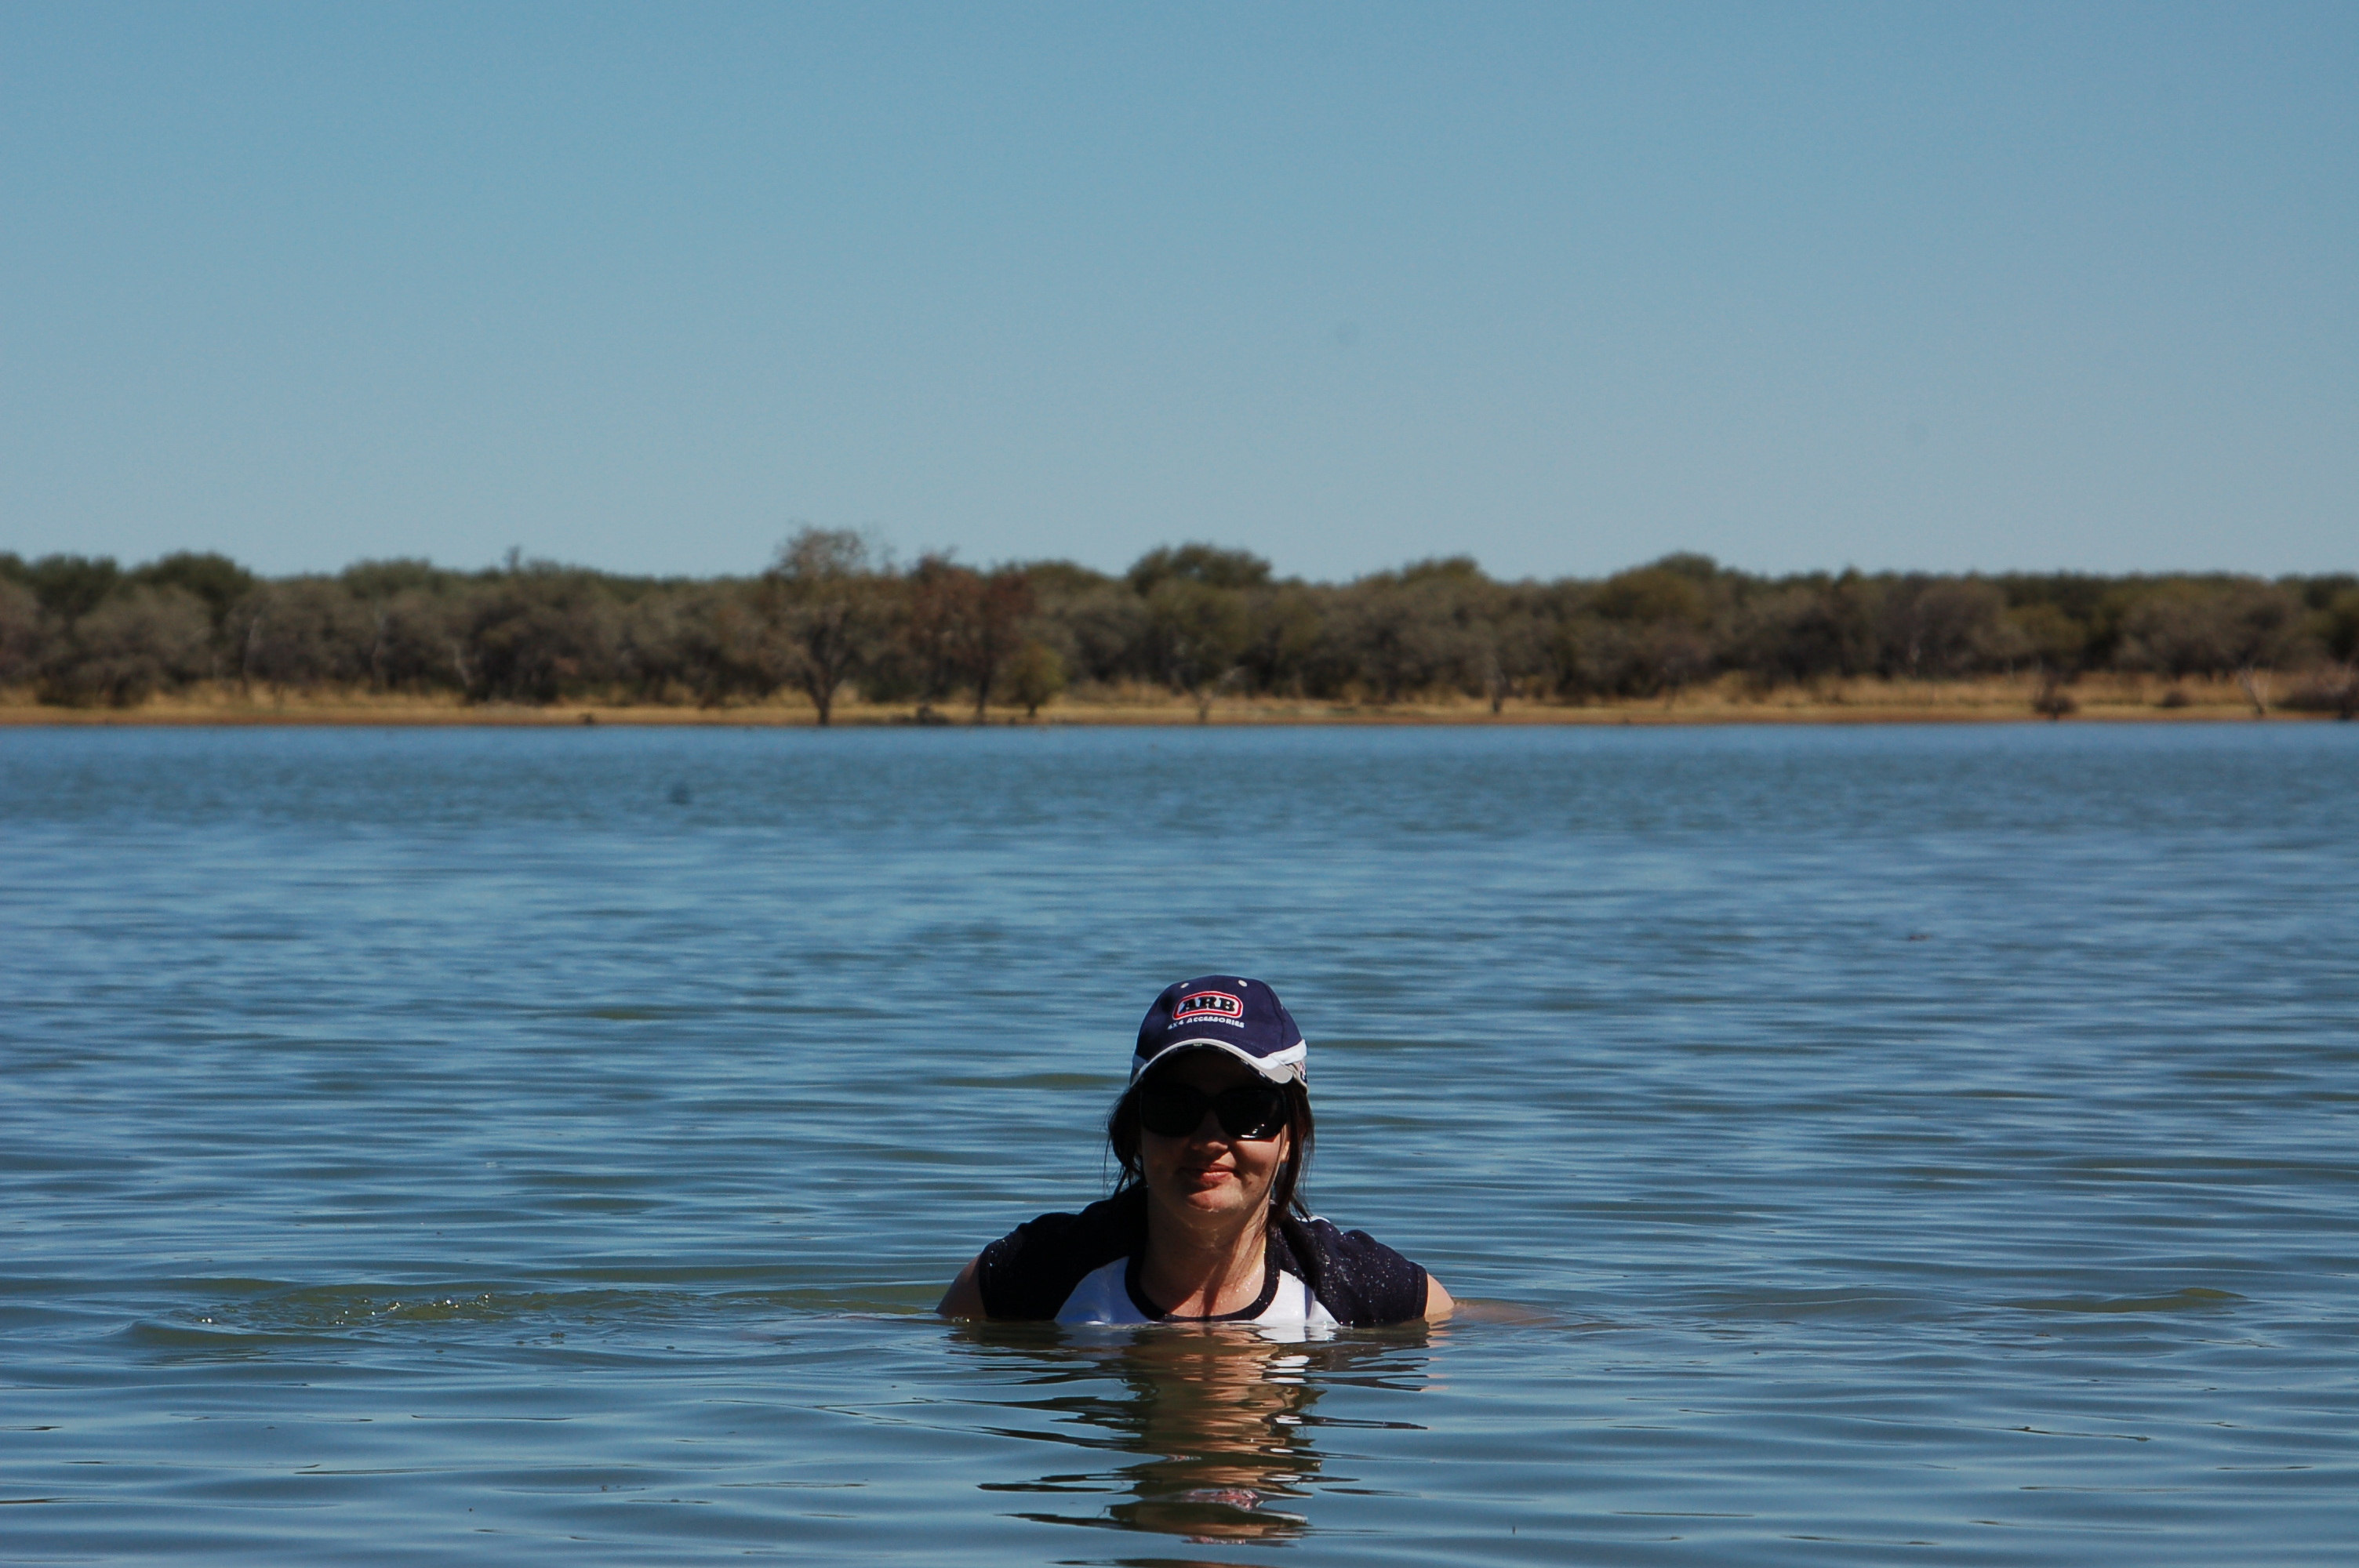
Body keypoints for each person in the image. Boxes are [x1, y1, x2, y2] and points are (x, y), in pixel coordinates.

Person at [939, 975, 1452, 1327]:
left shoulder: (1360, 1289)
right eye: (1174, 1107)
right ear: (1135, 1129)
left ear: (1291, 1133)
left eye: (1247, 1109)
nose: (1208, 1140)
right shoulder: (1029, 1276)